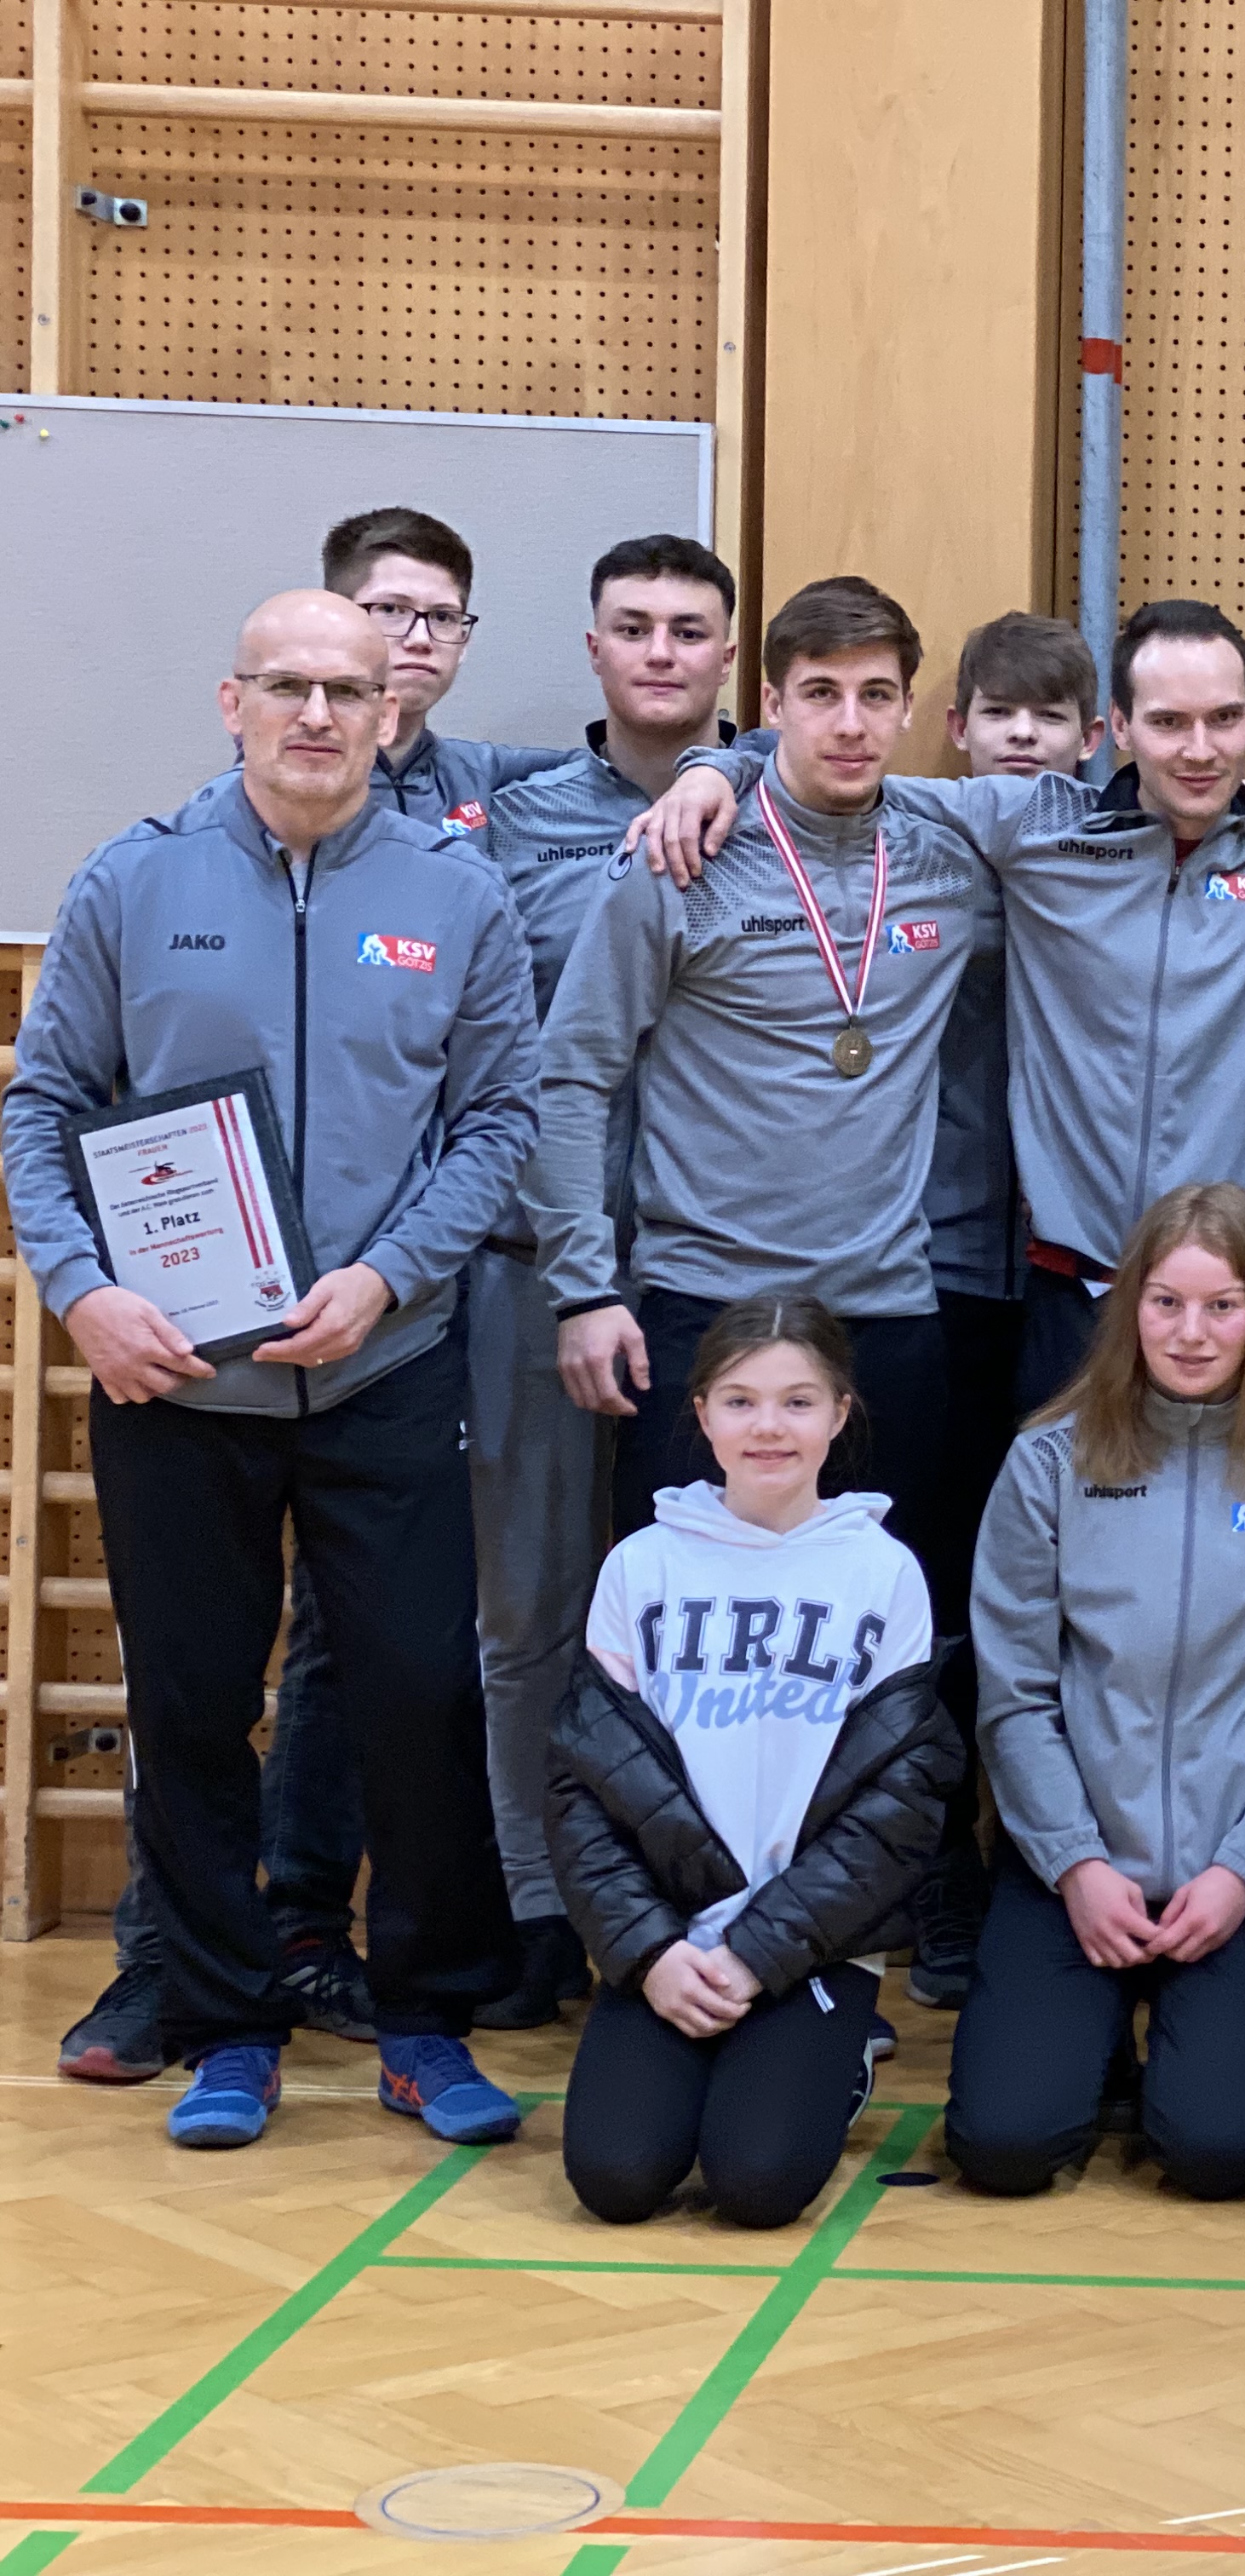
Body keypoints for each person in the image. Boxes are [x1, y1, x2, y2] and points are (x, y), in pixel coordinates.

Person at [2, 589, 537, 2149]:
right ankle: (223, 2021)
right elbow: (43, 1106)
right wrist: (85, 1293)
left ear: (390, 713)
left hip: (386, 1366)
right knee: (187, 1708)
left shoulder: (457, 893)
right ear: (231, 702)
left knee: (420, 1695)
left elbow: (500, 1119)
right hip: (177, 1384)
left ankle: (424, 2017)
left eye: (348, 689)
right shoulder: (133, 878)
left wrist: (388, 1275)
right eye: (287, 684)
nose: (318, 713)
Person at [630, 596, 1245, 1416]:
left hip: (1238, 1293)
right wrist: (713, 769)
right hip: (1073, 1293)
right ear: (1119, 726)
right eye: (1168, 721)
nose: (1199, 748)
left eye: (1222, 720)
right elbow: (836, 768)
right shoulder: (1038, 823)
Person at [533, 575, 998, 1641]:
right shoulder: (680, 857)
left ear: (912, 709)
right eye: (820, 693)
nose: (850, 724)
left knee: (884, 1650)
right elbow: (572, 1075)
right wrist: (581, 1287)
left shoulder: (948, 860)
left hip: (887, 1316)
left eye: (876, 696)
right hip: (704, 1306)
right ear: (772, 703)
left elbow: (1092, 814)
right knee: (681, 1642)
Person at [462, 532, 747, 2032]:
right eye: (633, 627)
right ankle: (535, 1904)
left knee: (705, 1624)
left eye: (688, 629)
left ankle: (703, 1905)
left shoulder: (776, 804)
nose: (660, 652)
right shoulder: (510, 831)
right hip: (538, 1280)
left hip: (714, 1282)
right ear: (593, 649)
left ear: (727, 655)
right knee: (530, 1615)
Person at [949, 1183, 1245, 2200]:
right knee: (1004, 2147)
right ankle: (1089, 2042)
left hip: (1238, 1878)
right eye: (1167, 1303)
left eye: (1222, 1305)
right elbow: (1015, 1696)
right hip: (1076, 1867)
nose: (1191, 1333)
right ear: (1129, 1305)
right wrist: (1075, 1864)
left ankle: (1220, 2019)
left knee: (1216, 2153)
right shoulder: (1048, 1462)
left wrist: (1243, 1874)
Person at [548, 1295, 959, 2228]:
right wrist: (652, 1953)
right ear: (700, 1414)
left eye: (797, 1402)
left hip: (809, 1944)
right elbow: (582, 1788)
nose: (768, 1427)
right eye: (740, 1401)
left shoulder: (884, 1573)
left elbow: (898, 1807)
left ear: (840, 1414)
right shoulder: (640, 1567)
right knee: (616, 2177)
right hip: (670, 1938)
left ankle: (835, 2060)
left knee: (758, 2184)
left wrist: (756, 1952)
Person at [898, 608, 1106, 2012]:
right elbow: (791, 762)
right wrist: (717, 769)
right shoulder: (906, 841)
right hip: (935, 1274)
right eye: (1000, 712)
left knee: (1054, 1595)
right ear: (958, 729)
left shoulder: (1118, 850)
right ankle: (933, 1875)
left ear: (1093, 740)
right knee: (938, 1588)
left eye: (1052, 716)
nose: (1024, 735)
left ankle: (1042, 1860)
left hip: (1066, 1279)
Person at [322, 506, 568, 829]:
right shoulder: (284, 779)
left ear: (464, 643)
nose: (420, 639)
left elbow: (611, 771)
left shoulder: (476, 773)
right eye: (391, 609)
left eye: (443, 617)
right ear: (334, 623)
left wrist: (643, 799)